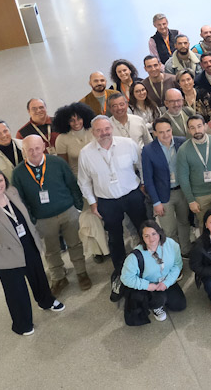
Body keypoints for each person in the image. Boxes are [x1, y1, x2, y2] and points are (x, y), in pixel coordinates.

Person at [0, 169, 65, 335]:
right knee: (16, 290)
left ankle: (46, 301)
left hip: (28, 244)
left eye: (0, 180)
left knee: (38, 276)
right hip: (5, 255)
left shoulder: (12, 191)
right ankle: (22, 324)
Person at [76, 116, 147, 300]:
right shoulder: (86, 153)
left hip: (132, 194)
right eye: (99, 130)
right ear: (93, 132)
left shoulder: (127, 144)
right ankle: (121, 272)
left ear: (111, 128)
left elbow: (140, 165)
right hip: (107, 200)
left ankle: (149, 263)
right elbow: (83, 182)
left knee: (144, 229)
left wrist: (144, 185)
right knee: (115, 238)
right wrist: (92, 203)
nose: (104, 133)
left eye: (107, 129)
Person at [10, 135, 90, 294]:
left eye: (37, 148)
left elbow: (72, 184)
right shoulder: (18, 173)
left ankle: (82, 272)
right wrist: (31, 219)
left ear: (44, 147)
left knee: (75, 243)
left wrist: (78, 206)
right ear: (23, 151)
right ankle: (59, 277)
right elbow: (19, 199)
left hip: (67, 211)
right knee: (50, 250)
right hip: (42, 218)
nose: (34, 152)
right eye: (29, 150)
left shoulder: (57, 163)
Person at [120, 221, 186, 324]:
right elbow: (126, 278)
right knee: (159, 298)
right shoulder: (134, 257)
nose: (151, 239)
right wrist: (148, 286)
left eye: (154, 234)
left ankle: (164, 297)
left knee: (180, 305)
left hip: (166, 280)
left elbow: (177, 264)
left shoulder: (171, 244)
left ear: (159, 233)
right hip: (148, 285)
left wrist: (167, 283)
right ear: (142, 237)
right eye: (146, 236)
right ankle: (156, 306)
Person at [142, 117, 191, 249]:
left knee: (184, 222)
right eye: (161, 132)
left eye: (168, 131)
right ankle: (174, 254)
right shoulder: (148, 150)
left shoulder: (182, 142)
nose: (166, 135)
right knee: (169, 229)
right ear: (155, 133)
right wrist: (156, 202)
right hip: (163, 195)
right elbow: (148, 179)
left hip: (182, 191)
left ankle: (186, 249)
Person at [53, 102, 96, 175]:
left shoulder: (94, 131)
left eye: (79, 119)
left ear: (84, 118)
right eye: (72, 120)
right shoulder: (61, 139)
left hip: (98, 173)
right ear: (66, 122)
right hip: (77, 178)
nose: (76, 123)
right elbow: (64, 165)